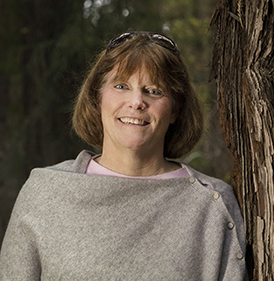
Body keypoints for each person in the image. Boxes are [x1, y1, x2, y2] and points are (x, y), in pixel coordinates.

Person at [0, 31, 248, 280]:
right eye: (121, 86)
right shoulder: (45, 192)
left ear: (175, 110)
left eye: (153, 91)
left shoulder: (213, 204)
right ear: (98, 98)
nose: (137, 101)